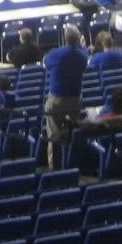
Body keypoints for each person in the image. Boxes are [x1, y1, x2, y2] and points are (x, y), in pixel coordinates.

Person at [42, 25, 89, 168]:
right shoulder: (83, 55)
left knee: (54, 134)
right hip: (75, 99)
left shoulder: (56, 54)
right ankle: (73, 162)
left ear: (65, 39)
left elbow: (46, 62)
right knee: (73, 131)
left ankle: (55, 168)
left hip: (57, 100)